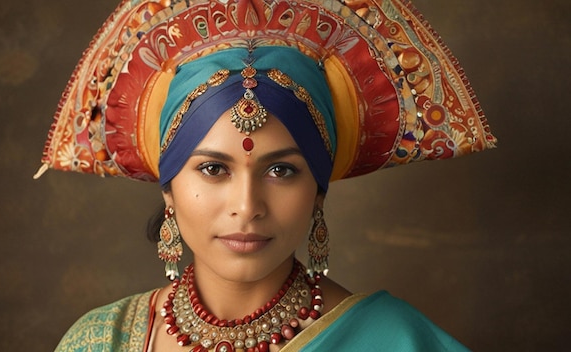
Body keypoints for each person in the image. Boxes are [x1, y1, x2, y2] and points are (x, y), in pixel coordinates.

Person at [35, 0, 496, 350]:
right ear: (170, 187)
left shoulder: (395, 340)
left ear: (317, 191)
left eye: (281, 170)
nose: (247, 205)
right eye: (213, 169)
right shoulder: (102, 340)